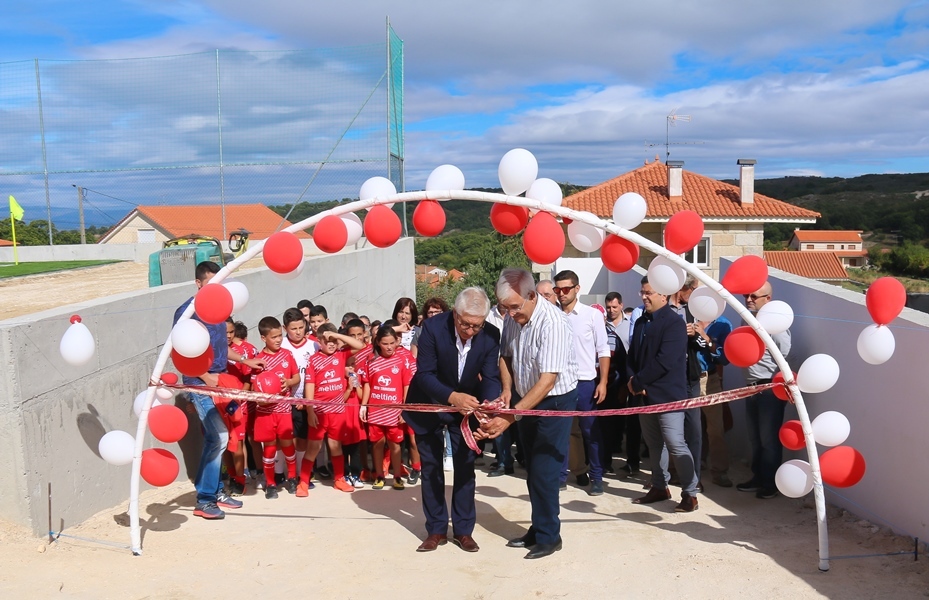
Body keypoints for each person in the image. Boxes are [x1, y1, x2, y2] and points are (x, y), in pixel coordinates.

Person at [476, 268, 578, 560]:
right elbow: (505, 355)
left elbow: (548, 380)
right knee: (531, 467)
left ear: (532, 296)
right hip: (524, 398)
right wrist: (508, 390)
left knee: (545, 471)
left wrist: (510, 416)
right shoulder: (513, 317)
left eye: (515, 307)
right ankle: (538, 526)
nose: (509, 314)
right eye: (504, 308)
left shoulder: (554, 323)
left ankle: (549, 537)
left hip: (553, 402)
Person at [404, 287, 502, 553]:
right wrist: (452, 397)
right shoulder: (433, 328)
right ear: (455, 315)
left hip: (466, 408)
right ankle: (435, 529)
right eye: (465, 325)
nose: (470, 331)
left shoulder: (491, 334)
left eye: (477, 326)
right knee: (432, 468)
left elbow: (491, 376)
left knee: (465, 466)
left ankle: (463, 530)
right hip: (429, 401)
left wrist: (489, 403)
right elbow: (424, 374)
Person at [173, 261, 261, 519]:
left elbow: (220, 348)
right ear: (198, 283)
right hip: (200, 383)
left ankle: (212, 492)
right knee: (219, 436)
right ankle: (205, 499)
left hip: (219, 381)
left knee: (217, 439)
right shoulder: (186, 312)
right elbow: (182, 351)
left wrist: (243, 360)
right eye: (211, 283)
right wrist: (204, 376)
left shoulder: (218, 310)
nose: (216, 288)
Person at [627, 276, 699, 513]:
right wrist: (633, 381)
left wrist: (639, 381)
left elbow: (665, 361)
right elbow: (633, 357)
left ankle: (690, 493)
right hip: (643, 395)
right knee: (654, 444)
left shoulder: (673, 323)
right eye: (642, 292)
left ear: (663, 296)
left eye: (648, 292)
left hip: (668, 396)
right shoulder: (640, 322)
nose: (644, 297)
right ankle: (660, 486)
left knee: (676, 444)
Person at [553, 270, 610, 496]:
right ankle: (560, 476)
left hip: (586, 383)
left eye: (566, 289)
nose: (561, 294)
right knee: (561, 432)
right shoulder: (552, 315)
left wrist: (603, 382)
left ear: (577, 289)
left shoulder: (591, 315)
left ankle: (597, 477)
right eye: (558, 290)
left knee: (591, 432)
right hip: (558, 384)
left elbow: (603, 350)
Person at [297, 323, 365, 496]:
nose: (332, 344)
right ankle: (303, 482)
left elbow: (360, 345)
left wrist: (338, 336)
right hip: (319, 412)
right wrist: (310, 410)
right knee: (313, 447)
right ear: (319, 342)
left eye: (334, 341)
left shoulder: (341, 355)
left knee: (336, 446)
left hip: (337, 411)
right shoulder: (313, 360)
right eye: (328, 341)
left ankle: (339, 480)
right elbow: (309, 386)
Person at [738, 281, 791, 499]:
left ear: (767, 299)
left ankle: (770, 483)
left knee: (769, 438)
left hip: (768, 387)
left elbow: (784, 350)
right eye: (746, 295)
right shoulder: (747, 318)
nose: (748, 299)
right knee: (755, 438)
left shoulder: (775, 323)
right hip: (750, 387)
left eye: (754, 296)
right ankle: (758, 477)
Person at [250, 316, 301, 499]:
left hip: (283, 410)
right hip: (265, 413)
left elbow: (297, 378)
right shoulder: (258, 360)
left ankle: (292, 478)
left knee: (288, 445)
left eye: (280, 335)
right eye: (274, 337)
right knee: (269, 447)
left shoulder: (287, 355)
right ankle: (270, 483)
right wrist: (260, 399)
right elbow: (254, 387)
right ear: (263, 338)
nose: (278, 340)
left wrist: (288, 382)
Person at [358, 326, 414, 490]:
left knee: (395, 445)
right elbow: (367, 384)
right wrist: (364, 406)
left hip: (395, 411)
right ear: (378, 343)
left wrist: (404, 408)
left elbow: (406, 385)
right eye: (385, 343)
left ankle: (397, 476)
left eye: (392, 343)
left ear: (397, 342)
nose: (389, 347)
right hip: (375, 410)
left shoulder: (402, 360)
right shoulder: (370, 360)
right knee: (377, 444)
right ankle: (379, 476)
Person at [692, 311, 733, 487]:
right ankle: (686, 471)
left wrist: (705, 337)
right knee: (688, 428)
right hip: (688, 379)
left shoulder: (723, 324)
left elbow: (725, 358)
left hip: (711, 379)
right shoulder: (686, 317)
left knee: (716, 428)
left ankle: (719, 471)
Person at [280, 308, 319, 484]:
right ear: (284, 328)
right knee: (289, 440)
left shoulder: (315, 345)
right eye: (293, 328)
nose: (298, 332)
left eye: (301, 327)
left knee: (304, 440)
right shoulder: (280, 346)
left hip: (308, 402)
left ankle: (302, 474)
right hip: (286, 402)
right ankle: (289, 474)